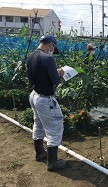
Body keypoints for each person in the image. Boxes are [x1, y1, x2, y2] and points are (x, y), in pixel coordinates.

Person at [27, 35, 68, 171]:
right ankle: (52, 163)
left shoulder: (31, 56)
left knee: (38, 125)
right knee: (55, 129)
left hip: (34, 95)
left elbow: (32, 78)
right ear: (50, 44)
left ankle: (40, 154)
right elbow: (56, 81)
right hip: (45, 99)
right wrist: (61, 73)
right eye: (52, 48)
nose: (52, 51)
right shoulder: (48, 58)